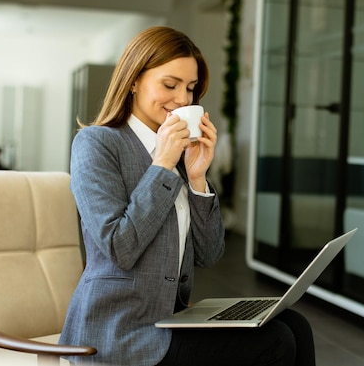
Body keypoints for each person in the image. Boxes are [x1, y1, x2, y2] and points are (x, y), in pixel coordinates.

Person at [59, 26, 316, 366]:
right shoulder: (97, 144)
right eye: (170, 84)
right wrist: (163, 164)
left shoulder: (181, 154)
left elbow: (210, 254)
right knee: (274, 341)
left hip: (168, 320)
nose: (183, 99)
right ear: (134, 80)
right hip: (119, 333)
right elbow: (120, 246)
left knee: (295, 324)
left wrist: (197, 178)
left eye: (191, 88)